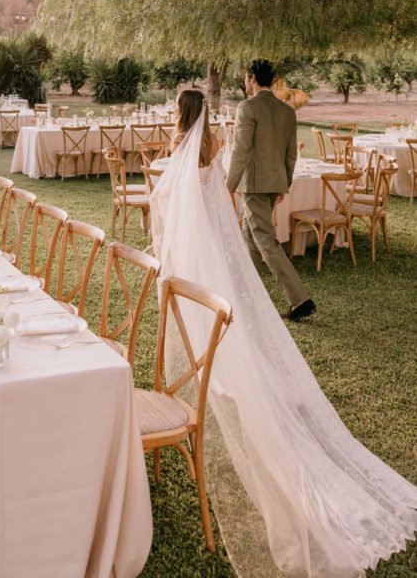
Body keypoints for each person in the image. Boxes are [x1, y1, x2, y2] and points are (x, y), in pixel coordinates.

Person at [149, 95, 417, 578]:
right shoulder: (213, 146)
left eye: (174, 111)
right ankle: (220, 364)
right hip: (212, 249)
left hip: (194, 255)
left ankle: (213, 369)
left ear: (180, 115)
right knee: (225, 319)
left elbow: (169, 202)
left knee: (201, 320)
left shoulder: (183, 155)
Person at [225, 59, 314, 321]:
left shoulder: (247, 107)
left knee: (264, 239)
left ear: (252, 77)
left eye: (245, 77)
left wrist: (228, 186)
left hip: (253, 183)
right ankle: (246, 293)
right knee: (250, 236)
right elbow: (291, 155)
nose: (244, 82)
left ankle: (300, 299)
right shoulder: (287, 111)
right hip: (273, 182)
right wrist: (283, 184)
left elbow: (241, 150)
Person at [169, 88, 220, 159]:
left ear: (185, 111)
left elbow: (178, 168)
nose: (174, 109)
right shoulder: (212, 139)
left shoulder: (179, 140)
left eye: (177, 105)